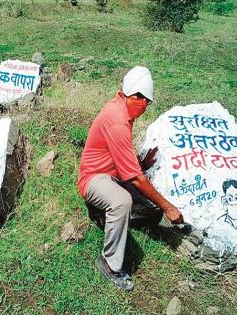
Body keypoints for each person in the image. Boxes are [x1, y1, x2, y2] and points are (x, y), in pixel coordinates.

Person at [77, 66, 184, 291]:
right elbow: (135, 179)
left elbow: (123, 158)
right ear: (136, 97)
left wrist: (141, 164)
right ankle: (109, 264)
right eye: (146, 102)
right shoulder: (117, 120)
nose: (146, 108)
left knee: (151, 208)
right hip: (95, 179)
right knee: (122, 201)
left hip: (114, 175)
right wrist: (168, 207)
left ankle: (112, 220)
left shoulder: (122, 110)